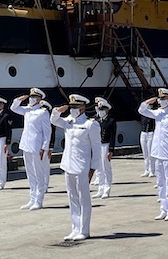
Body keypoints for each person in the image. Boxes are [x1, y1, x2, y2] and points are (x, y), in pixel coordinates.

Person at [50, 94, 101, 241]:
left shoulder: (90, 124)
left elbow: (96, 149)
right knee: (72, 198)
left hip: (82, 167)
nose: (72, 109)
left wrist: (93, 169)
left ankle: (84, 230)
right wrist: (58, 110)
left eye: (75, 107)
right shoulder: (68, 122)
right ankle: (75, 228)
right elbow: (53, 120)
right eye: (71, 107)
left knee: (84, 199)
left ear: (83, 107)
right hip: (68, 164)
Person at [138, 88, 168, 221]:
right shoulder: (158, 113)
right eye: (160, 99)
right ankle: (163, 209)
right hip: (157, 152)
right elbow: (142, 110)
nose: (160, 101)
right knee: (160, 183)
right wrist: (149, 101)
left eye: (163, 99)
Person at [10, 88, 52, 211]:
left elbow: (47, 132)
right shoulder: (27, 110)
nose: (31, 99)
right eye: (31, 97)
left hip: (36, 146)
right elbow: (13, 108)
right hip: (26, 145)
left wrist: (44, 148)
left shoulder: (43, 112)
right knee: (30, 174)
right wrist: (19, 99)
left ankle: (39, 200)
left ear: (39, 99)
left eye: (34, 97)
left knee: (38, 174)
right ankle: (32, 198)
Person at [93, 97, 116, 199]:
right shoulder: (96, 120)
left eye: (102, 109)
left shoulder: (111, 121)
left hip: (106, 145)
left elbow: (112, 136)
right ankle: (100, 188)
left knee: (105, 167)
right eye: (100, 109)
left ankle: (107, 189)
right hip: (98, 145)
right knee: (99, 168)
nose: (101, 111)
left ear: (107, 110)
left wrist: (111, 150)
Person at [139, 113, 157, 178]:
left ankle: (152, 170)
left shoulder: (152, 114)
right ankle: (146, 170)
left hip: (150, 133)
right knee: (145, 154)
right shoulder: (143, 113)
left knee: (150, 153)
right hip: (143, 132)